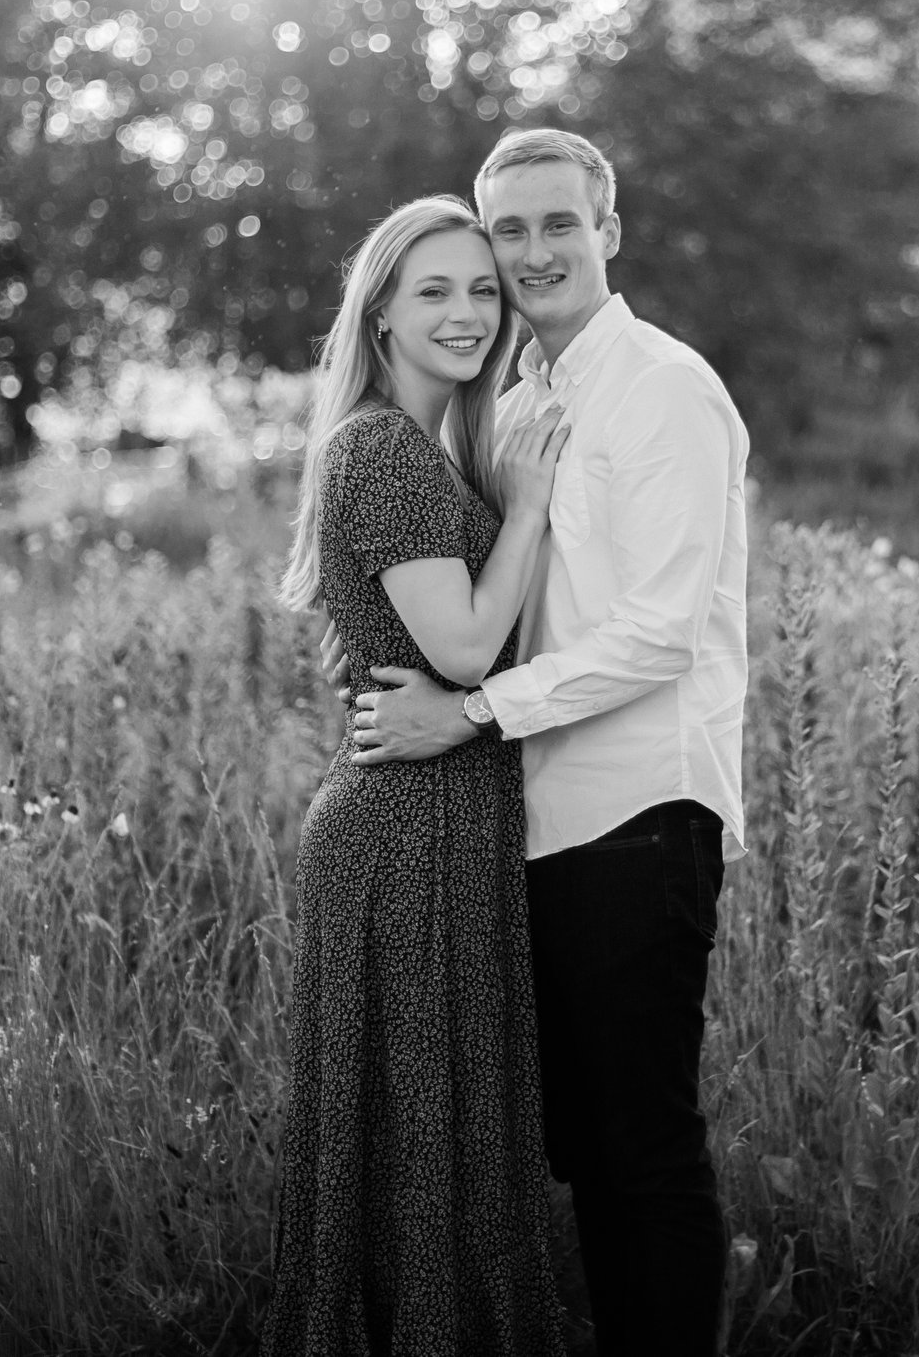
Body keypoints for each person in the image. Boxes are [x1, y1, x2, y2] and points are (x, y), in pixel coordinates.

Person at [348, 129, 752, 1357]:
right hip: (539, 821)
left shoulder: (662, 385)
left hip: (639, 813)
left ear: (606, 233)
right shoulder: (519, 403)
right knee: (582, 1151)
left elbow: (659, 634)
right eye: (507, 230)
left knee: (642, 1147)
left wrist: (465, 714)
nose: (531, 253)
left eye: (556, 224)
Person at [265, 194, 574, 1357]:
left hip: (438, 815)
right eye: (433, 289)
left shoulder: (427, 443)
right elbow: (458, 649)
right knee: (417, 1141)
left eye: (481, 288)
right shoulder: (386, 452)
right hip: (405, 829)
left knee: (431, 1137)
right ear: (381, 313)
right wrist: (534, 507)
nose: (465, 310)